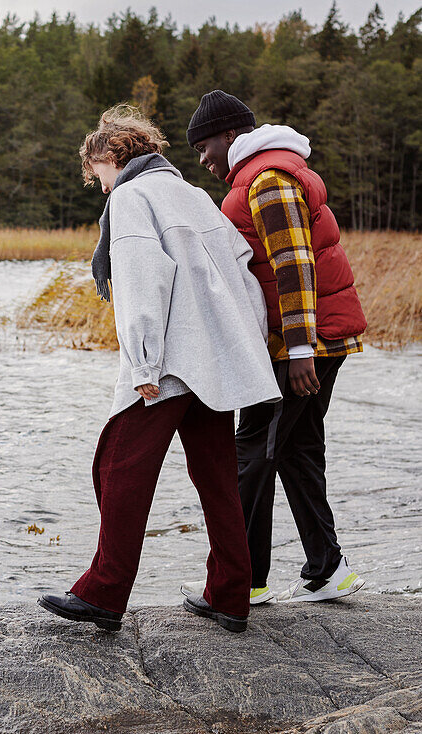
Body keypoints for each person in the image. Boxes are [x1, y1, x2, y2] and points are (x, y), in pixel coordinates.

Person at [36, 105, 281, 634]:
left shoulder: (131, 195)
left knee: (117, 466)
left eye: (96, 174)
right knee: (216, 475)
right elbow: (243, 271)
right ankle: (230, 594)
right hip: (212, 361)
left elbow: (143, 278)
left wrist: (144, 360)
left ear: (108, 156)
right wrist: (244, 346)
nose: (99, 186)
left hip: (168, 362)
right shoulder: (194, 196)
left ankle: (104, 592)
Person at [185, 90, 367, 605]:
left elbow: (294, 267)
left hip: (300, 346)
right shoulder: (268, 173)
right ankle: (325, 569)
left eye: (204, 146)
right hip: (307, 341)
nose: (202, 159)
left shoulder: (267, 181)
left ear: (230, 137)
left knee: (252, 452)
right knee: (295, 450)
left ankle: (238, 583)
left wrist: (300, 348)